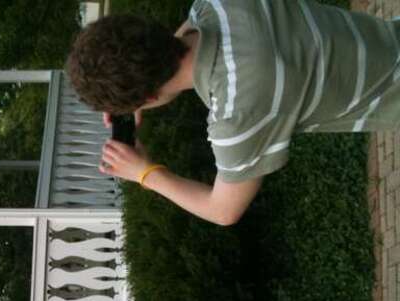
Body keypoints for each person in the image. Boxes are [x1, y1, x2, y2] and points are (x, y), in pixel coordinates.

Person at [66, 1, 400, 226]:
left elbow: (223, 210)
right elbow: (176, 41)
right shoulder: (219, 5)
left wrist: (145, 173)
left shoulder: (237, 114)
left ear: (149, 95)